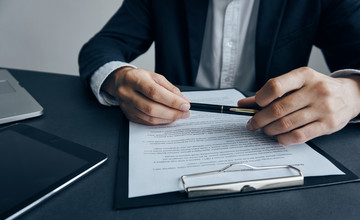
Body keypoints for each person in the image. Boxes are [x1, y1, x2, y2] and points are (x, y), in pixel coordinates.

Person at [78, 0, 360, 146]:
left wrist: (354, 92)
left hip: (273, 139)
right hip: (173, 137)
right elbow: (102, 47)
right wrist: (119, 78)